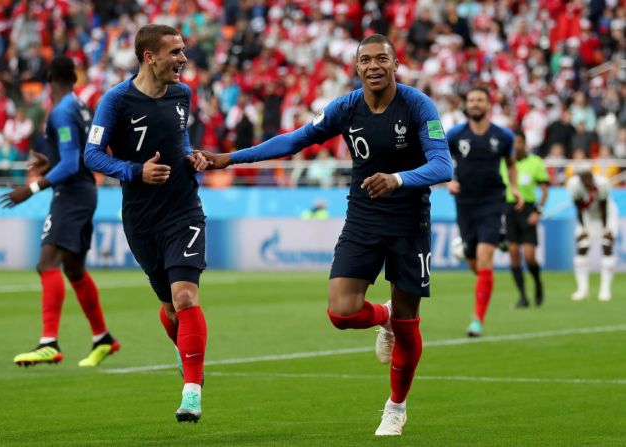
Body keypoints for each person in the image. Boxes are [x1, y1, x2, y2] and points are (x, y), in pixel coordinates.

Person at [199, 34, 453, 437]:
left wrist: (398, 179)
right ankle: (382, 317)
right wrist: (229, 158)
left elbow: (443, 165)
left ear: (395, 64)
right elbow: (294, 141)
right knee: (341, 313)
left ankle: (396, 407)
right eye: (366, 59)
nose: (373, 66)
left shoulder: (418, 106)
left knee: (410, 322)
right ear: (356, 67)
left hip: (409, 224)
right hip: (363, 220)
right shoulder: (346, 107)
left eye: (381, 59)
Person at [83, 24, 210, 424]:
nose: (183, 59)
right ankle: (183, 350)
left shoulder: (182, 95)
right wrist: (135, 171)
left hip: (184, 208)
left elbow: (180, 140)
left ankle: (192, 392)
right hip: (141, 218)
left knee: (186, 297)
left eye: (183, 51)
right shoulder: (116, 100)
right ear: (149, 57)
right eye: (174, 52)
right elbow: (91, 154)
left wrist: (193, 158)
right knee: (170, 306)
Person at [0, 56, 120, 368]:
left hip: (71, 196)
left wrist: (33, 187)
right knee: (75, 270)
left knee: (46, 263)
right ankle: (103, 338)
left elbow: (70, 163)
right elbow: (78, 157)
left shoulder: (62, 110)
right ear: (74, 79)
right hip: (84, 191)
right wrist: (50, 165)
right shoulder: (79, 106)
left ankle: (48, 342)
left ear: (49, 78)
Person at [446, 86, 523, 337]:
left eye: (480, 99)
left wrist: (514, 188)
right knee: (474, 263)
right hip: (465, 203)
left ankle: (477, 320)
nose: (475, 103)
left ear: (489, 105)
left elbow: (511, 165)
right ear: (466, 105)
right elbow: (440, 159)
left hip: (492, 201)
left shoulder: (503, 136)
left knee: (484, 258)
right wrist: (449, 181)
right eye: (471, 99)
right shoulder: (456, 134)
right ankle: (476, 252)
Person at [500, 131, 549, 308]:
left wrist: (538, 211)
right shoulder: (505, 163)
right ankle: (522, 296)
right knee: (514, 255)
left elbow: (545, 190)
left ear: (525, 144)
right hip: (510, 209)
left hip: (528, 210)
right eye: (514, 144)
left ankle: (537, 282)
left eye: (519, 143)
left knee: (529, 256)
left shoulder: (535, 163)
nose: (516, 147)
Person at [567, 165, 618, 301]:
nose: (587, 180)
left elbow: (604, 207)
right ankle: (582, 289)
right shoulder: (573, 185)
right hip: (587, 216)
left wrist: (606, 229)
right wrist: (583, 229)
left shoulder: (602, 184)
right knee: (582, 246)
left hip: (607, 215)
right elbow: (578, 208)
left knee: (606, 245)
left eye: (588, 176)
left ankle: (605, 290)